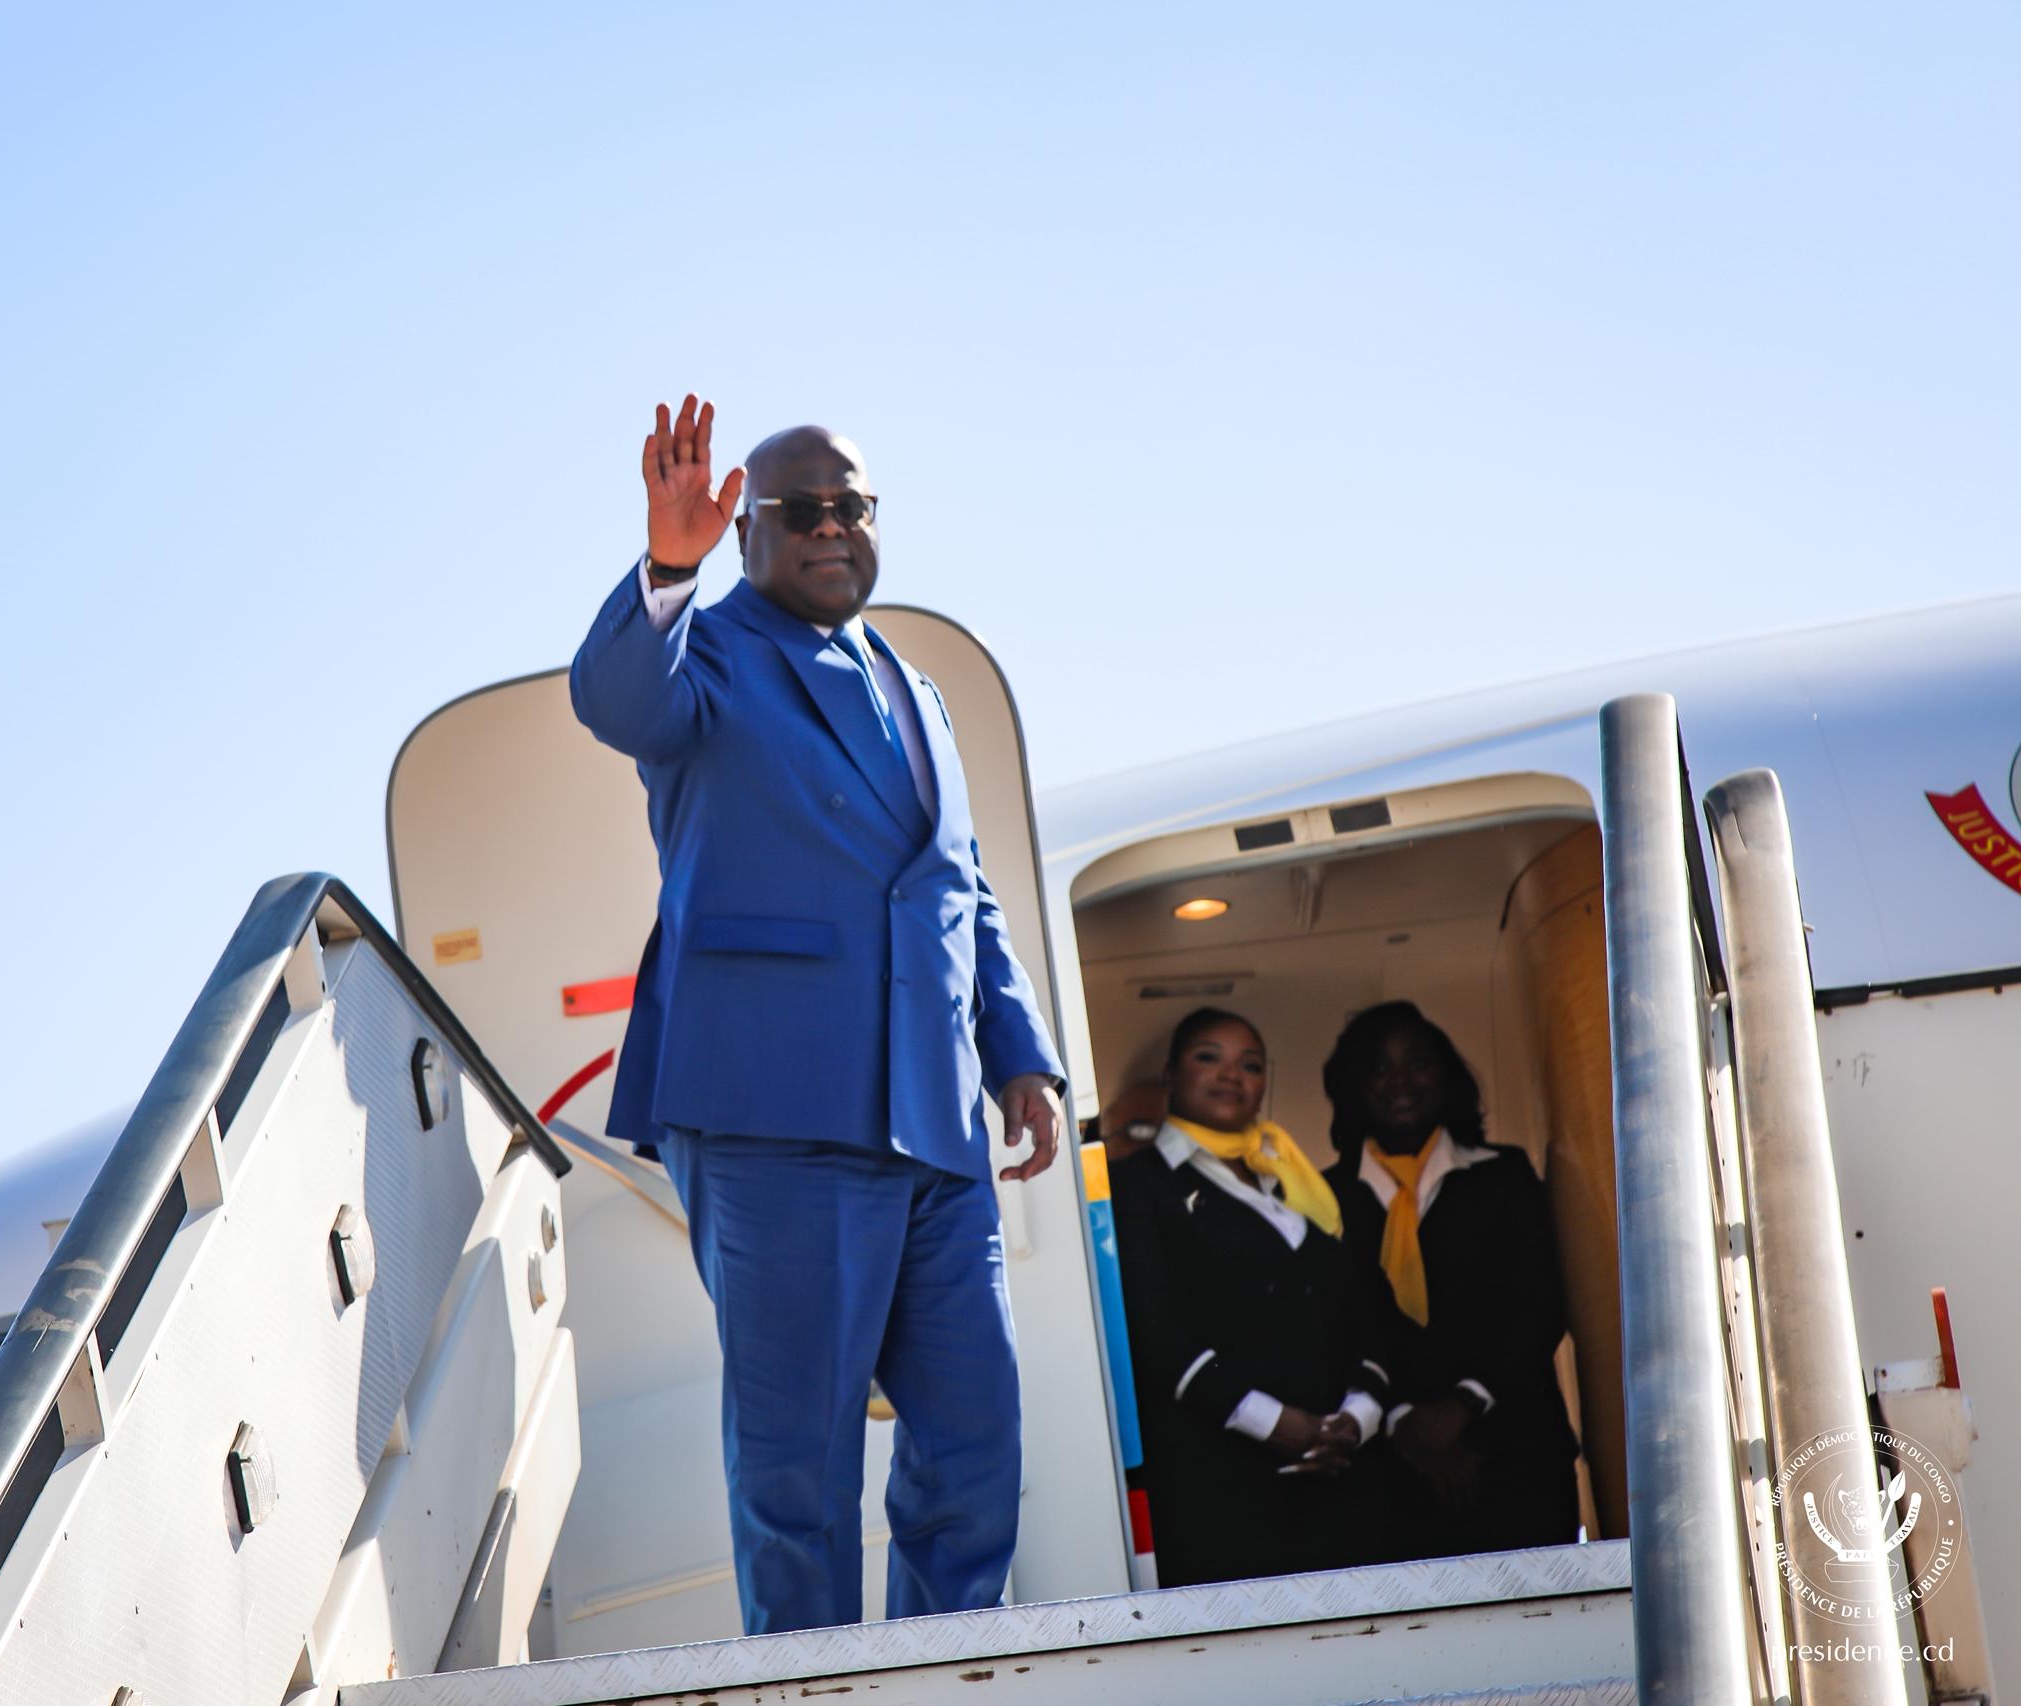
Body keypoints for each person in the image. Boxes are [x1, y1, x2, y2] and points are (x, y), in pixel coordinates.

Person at [569, 396, 1068, 1635]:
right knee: (798, 1466)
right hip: (776, 1113)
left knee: (976, 1440)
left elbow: (958, 886)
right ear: (748, 531)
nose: (832, 528)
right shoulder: (710, 654)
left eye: (853, 507)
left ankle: (946, 1668)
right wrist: (666, 565)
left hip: (933, 1120)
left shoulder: (918, 686)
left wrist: (1018, 1053)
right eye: (801, 511)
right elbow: (616, 699)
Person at [1107, 1007, 1397, 1587]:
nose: (1231, 1075)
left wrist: (1356, 1419)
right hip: (1219, 1482)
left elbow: (1367, 1316)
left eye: (1251, 1064)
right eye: (1208, 1057)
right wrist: (1271, 1421)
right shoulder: (1137, 1185)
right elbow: (1148, 1326)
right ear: (1170, 1076)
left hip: (1342, 1473)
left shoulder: (1296, 1182)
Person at [1319, 1001, 1581, 1557]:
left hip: (1516, 1453)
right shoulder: (1323, 1198)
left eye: (1418, 1063)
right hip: (1388, 1468)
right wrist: (1404, 1421)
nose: (1400, 1082)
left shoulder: (1504, 1173)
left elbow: (1540, 1304)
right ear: (1354, 1085)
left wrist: (1461, 1405)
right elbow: (1337, 1326)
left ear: (1446, 1075)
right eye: (1379, 1068)